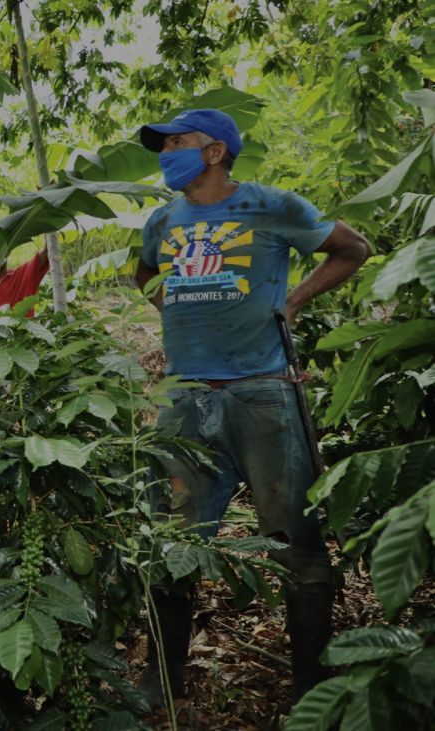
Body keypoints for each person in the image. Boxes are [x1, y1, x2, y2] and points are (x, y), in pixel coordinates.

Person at [133, 108, 370, 706]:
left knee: (296, 541)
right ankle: (162, 681)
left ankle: (310, 688)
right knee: (174, 541)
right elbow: (144, 275)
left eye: (177, 144)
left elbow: (351, 248)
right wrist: (176, 313)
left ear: (214, 152)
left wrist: (291, 302)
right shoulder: (163, 219)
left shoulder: (272, 205)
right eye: (162, 147)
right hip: (186, 399)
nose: (166, 155)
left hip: (263, 392)